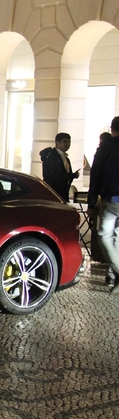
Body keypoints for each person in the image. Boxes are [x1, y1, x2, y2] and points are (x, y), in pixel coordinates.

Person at [88, 117, 119, 292]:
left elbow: (96, 175)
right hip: (112, 198)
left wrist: (92, 202)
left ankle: (117, 271)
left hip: (111, 199)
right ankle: (114, 275)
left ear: (112, 129)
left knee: (104, 235)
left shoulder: (105, 148)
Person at [39, 132, 80, 202]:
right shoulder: (52, 157)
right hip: (54, 194)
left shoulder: (66, 158)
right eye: (64, 141)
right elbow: (54, 175)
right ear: (57, 143)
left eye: (69, 142)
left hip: (63, 194)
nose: (68, 144)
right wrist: (72, 175)